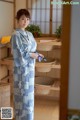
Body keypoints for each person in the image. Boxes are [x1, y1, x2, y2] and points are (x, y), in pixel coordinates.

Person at [10, 9, 44, 120]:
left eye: (28, 19)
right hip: (21, 71)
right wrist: (32, 55)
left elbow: (33, 50)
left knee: (29, 98)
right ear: (18, 20)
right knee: (22, 97)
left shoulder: (29, 34)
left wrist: (38, 55)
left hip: (30, 70)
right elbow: (18, 55)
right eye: (23, 19)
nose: (25, 21)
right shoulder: (15, 35)